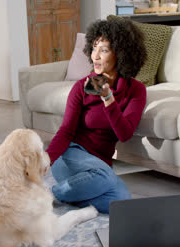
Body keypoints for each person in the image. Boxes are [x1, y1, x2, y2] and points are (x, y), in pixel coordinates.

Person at [46, 17, 147, 213]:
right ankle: (49, 196)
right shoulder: (81, 87)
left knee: (121, 201)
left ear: (121, 53)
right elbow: (66, 131)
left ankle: (71, 193)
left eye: (104, 50)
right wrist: (45, 160)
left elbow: (124, 134)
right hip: (71, 155)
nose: (95, 56)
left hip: (100, 164)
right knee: (107, 177)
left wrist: (108, 98)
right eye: (94, 48)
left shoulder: (135, 90)